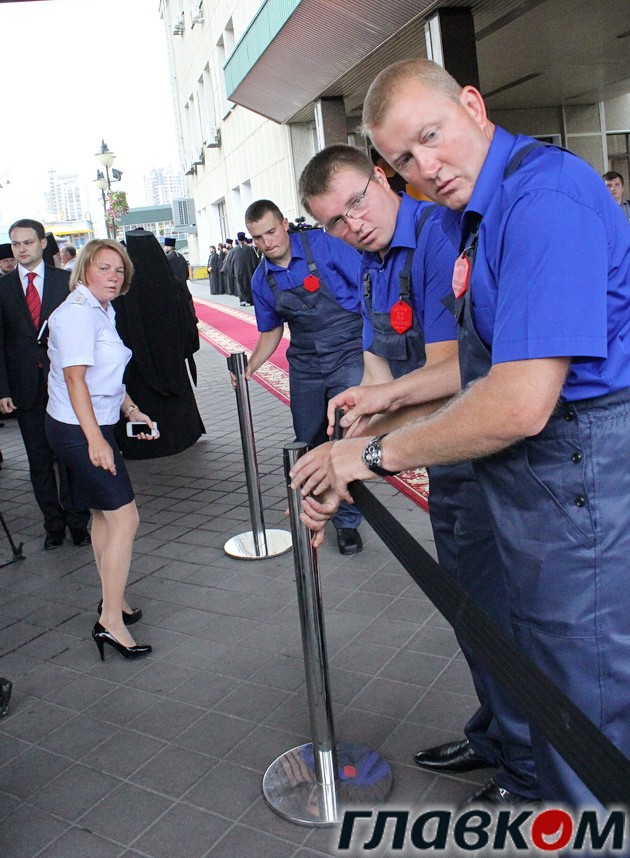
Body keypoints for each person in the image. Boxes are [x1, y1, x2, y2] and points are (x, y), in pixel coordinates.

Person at [290, 59, 630, 808]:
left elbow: (518, 402)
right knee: (542, 672)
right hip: (534, 479)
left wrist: (369, 454)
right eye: (406, 158)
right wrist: (350, 450)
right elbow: (474, 378)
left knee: (586, 707)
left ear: (473, 105)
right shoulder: (469, 214)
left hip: (577, 470)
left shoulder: (545, 198)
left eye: (432, 136)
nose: (427, 166)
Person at [298, 144, 537, 803]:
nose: (353, 224)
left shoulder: (437, 237)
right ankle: (494, 736)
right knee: (468, 612)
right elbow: (378, 369)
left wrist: (362, 447)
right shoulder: (373, 264)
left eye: (356, 202)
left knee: (498, 620)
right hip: (440, 463)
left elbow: (454, 372)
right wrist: (351, 436)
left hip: (487, 461)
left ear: (383, 177)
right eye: (334, 222)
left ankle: (527, 773)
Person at [45, 238, 154, 661]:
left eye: (119, 270)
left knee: (104, 516)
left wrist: (132, 409)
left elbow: (105, 375)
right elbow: (75, 380)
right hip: (78, 429)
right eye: (104, 268)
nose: (113, 276)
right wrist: (96, 441)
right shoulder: (77, 313)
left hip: (93, 422)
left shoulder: (102, 310)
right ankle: (109, 621)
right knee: (126, 517)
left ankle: (114, 597)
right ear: (85, 269)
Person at [244, 199, 364, 555]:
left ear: (284, 223)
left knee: (343, 434)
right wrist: (251, 365)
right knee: (308, 438)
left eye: (271, 231)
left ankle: (347, 522)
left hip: (348, 350)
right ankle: (317, 511)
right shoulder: (262, 279)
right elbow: (271, 330)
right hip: (306, 362)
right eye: (258, 237)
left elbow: (366, 284)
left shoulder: (324, 245)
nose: (267, 242)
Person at [0, 219, 90, 549]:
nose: (21, 249)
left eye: (27, 242)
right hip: (25, 388)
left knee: (70, 456)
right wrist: (3, 390)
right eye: (16, 244)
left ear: (41, 243)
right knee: (38, 461)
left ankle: (78, 522)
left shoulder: (66, 282)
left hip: (65, 383)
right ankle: (53, 525)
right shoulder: (3, 287)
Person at [112, 228, 204, 459]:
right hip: (171, 358)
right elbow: (188, 321)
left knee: (146, 400)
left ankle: (145, 441)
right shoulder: (172, 282)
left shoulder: (124, 289)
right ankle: (182, 435)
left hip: (137, 363)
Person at [229, 231, 258, 305]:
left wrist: (233, 271)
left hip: (238, 271)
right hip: (249, 271)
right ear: (244, 239)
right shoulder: (250, 249)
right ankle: (249, 300)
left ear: (238, 240)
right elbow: (254, 261)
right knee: (248, 285)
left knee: (240, 285)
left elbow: (231, 262)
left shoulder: (234, 250)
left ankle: (242, 300)